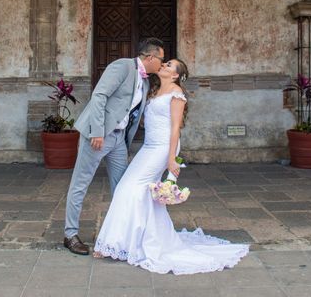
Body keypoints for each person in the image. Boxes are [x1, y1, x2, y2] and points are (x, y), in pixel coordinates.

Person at [93, 59, 250, 274]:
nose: (164, 65)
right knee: (137, 191)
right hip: (148, 147)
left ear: (175, 75)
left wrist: (171, 159)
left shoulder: (176, 94)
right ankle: (132, 241)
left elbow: (176, 128)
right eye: (164, 63)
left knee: (127, 188)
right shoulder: (154, 90)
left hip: (162, 149)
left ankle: (116, 244)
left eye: (169, 65)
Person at [64, 38, 166, 255]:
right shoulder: (122, 66)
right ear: (150, 57)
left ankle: (120, 235)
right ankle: (70, 234)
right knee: (81, 183)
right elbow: (99, 95)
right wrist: (97, 131)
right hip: (98, 136)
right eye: (160, 59)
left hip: (119, 139)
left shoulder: (146, 81)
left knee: (121, 187)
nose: (161, 64)